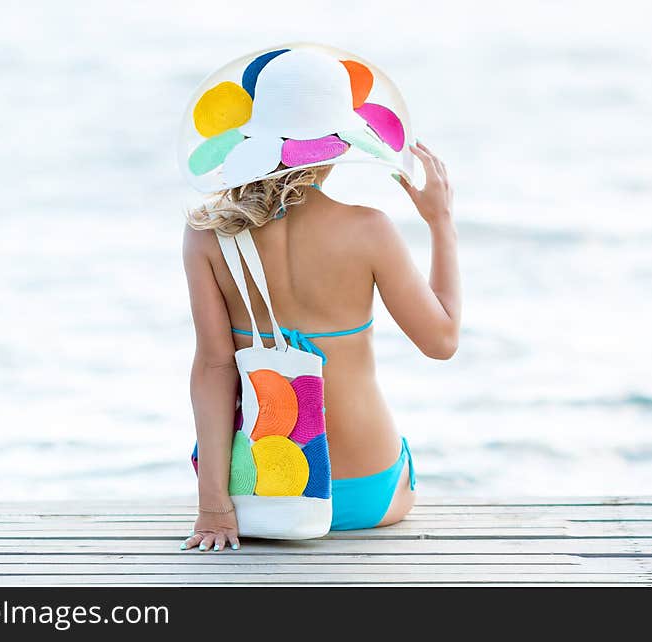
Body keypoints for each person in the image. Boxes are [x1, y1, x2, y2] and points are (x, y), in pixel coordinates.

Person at [179, 46, 460, 551]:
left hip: (257, 489)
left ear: (252, 138)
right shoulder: (370, 230)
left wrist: (214, 506)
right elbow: (442, 341)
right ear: (337, 144)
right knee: (402, 467)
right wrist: (440, 222)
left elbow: (213, 369)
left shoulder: (208, 235)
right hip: (365, 493)